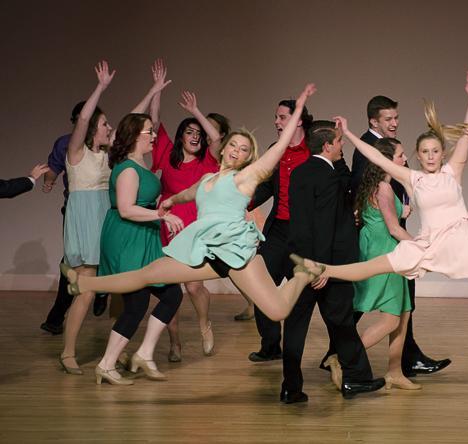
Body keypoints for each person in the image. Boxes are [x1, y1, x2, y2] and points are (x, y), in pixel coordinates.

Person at [59, 84, 326, 375]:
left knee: (277, 311)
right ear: (224, 149)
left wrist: (299, 108)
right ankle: (83, 283)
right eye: (233, 145)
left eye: (244, 149)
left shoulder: (246, 177)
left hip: (236, 255)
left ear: (249, 157)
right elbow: (186, 194)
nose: (237, 151)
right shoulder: (209, 179)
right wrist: (168, 203)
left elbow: (276, 153)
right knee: (146, 275)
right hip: (206, 250)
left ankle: (302, 275)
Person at [291, 72, 468, 299]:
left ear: (442, 154)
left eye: (435, 151)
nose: (431, 156)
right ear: (419, 156)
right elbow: (377, 157)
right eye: (425, 152)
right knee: (375, 266)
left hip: (463, 243)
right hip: (428, 245)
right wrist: (349, 133)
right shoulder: (413, 178)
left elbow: (467, 135)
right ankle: (322, 268)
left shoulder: (452, 173)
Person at [58, 60, 171, 375]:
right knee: (89, 286)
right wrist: (101, 87)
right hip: (84, 219)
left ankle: (119, 350)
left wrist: (153, 91)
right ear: (94, 127)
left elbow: (132, 124)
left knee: (124, 287)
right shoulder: (76, 153)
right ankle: (68, 351)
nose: (110, 128)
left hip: (110, 220)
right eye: (105, 124)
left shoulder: (111, 156)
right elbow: (83, 118)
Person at [334, 94, 451, 377]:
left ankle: (398, 368)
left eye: (396, 118)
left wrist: (404, 205)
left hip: (392, 236)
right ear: (374, 120)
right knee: (377, 309)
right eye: (389, 119)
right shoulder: (370, 149)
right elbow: (364, 186)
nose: (395, 123)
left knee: (399, 309)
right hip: (385, 240)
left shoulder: (385, 155)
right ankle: (340, 357)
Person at [281, 119, 385, 403]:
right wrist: (322, 268)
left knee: (297, 325)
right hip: (326, 267)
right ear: (327, 146)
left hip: (301, 261)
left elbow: (302, 224)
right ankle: (356, 379)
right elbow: (323, 226)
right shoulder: (326, 178)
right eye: (339, 142)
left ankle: (291, 388)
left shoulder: (301, 173)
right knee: (342, 323)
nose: (342, 146)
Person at [92, 110, 185, 385]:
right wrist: (161, 216)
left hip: (144, 237)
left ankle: (144, 353)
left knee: (171, 295)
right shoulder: (128, 169)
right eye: (149, 131)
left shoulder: (140, 165)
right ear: (134, 136)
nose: (154, 135)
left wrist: (163, 208)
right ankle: (107, 364)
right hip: (127, 237)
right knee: (137, 302)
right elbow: (125, 209)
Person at [148, 59, 230, 361]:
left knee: (194, 286)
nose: (195, 136)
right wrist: (157, 90)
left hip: (195, 226)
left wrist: (196, 111)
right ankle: (175, 343)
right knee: (170, 290)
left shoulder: (207, 161)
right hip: (167, 226)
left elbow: (217, 138)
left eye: (198, 133)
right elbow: (154, 123)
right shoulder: (167, 157)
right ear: (181, 136)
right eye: (189, 132)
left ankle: (204, 324)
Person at [246, 98, 313, 363]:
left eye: (282, 117)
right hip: (277, 231)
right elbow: (266, 187)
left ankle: (303, 353)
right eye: (276, 117)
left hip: (303, 235)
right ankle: (271, 345)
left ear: (297, 120)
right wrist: (244, 201)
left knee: (304, 296)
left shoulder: (313, 151)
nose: (276, 122)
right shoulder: (276, 149)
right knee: (260, 286)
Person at [353, 137, 420, 390]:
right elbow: (393, 229)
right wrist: (423, 247)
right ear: (386, 161)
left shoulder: (380, 186)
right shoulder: (383, 187)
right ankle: (342, 359)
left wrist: (401, 212)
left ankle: (394, 372)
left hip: (382, 249)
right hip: (387, 253)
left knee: (403, 315)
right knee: (391, 319)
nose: (404, 159)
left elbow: (383, 218)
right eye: (400, 155)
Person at [41, 102, 107, 337]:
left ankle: (101, 293)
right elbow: (53, 167)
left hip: (102, 208)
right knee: (74, 261)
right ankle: (57, 317)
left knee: (102, 256)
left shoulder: (104, 146)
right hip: (78, 211)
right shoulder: (67, 144)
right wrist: (49, 180)